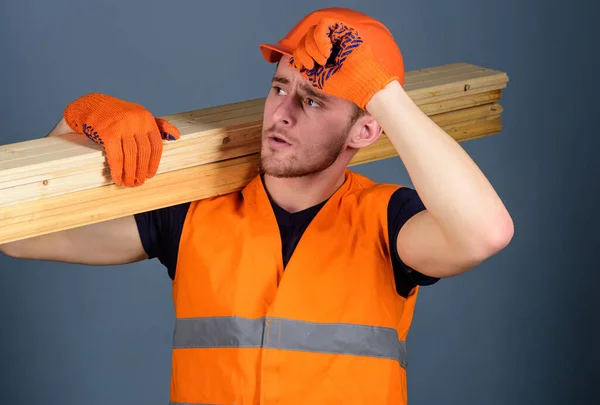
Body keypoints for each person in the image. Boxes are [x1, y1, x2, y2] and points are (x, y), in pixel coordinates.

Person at [0, 7, 513, 405]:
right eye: (279, 88)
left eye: (313, 100)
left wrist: (381, 91)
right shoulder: (193, 213)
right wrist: (76, 124)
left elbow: (485, 232)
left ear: (366, 128)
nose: (282, 114)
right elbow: (18, 235)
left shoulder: (387, 222)